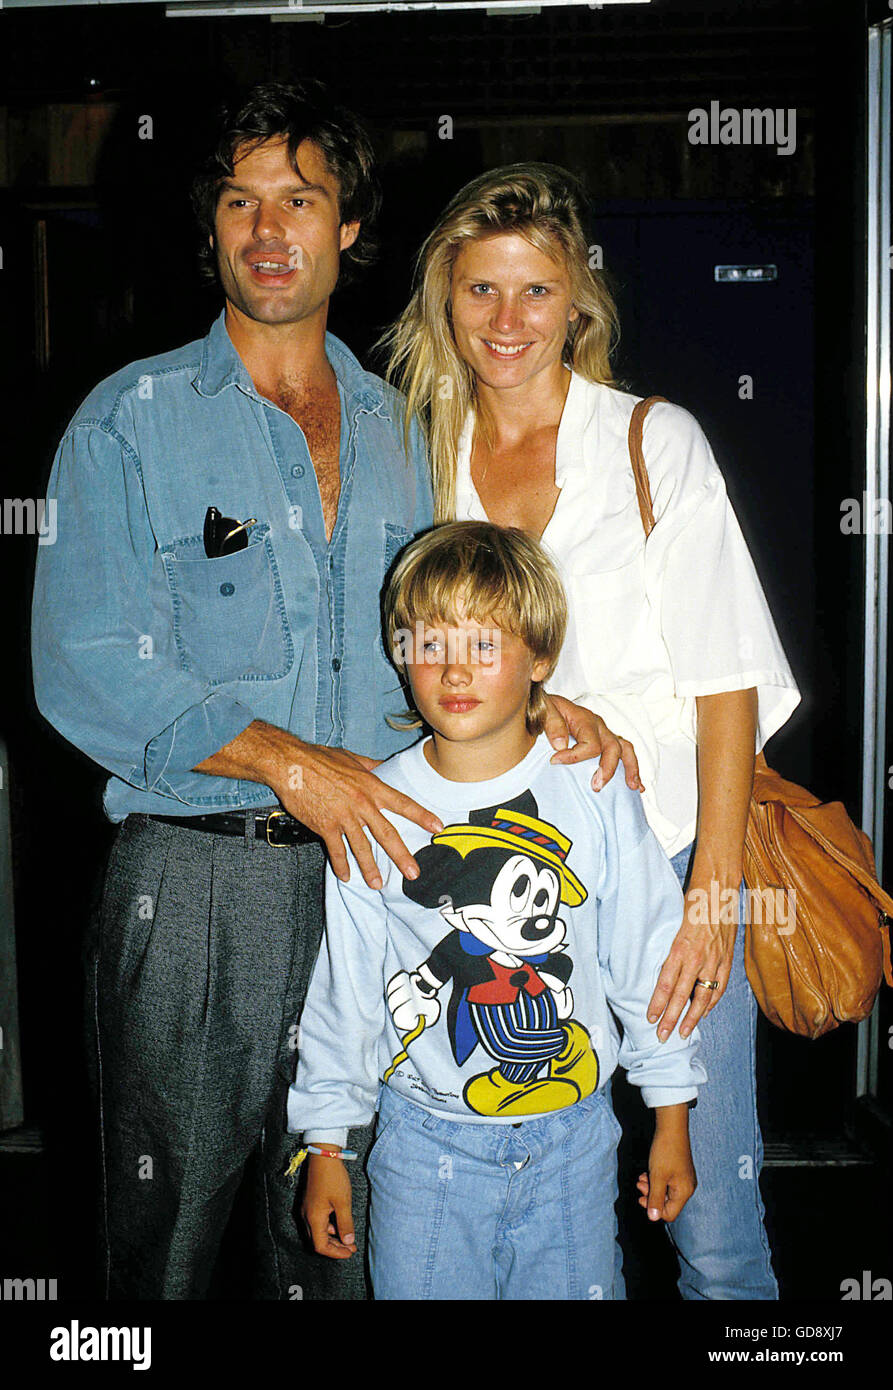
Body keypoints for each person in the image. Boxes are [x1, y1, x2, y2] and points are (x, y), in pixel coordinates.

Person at [31, 89, 634, 1301]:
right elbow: (84, 658)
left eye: (299, 200)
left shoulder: (413, 423)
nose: (268, 229)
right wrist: (284, 761)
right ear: (205, 227)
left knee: (342, 1243)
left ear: (349, 226)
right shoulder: (126, 421)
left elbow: (460, 619)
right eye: (239, 200)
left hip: (388, 883)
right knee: (164, 1248)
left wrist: (532, 702)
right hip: (198, 880)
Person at [385, 163, 801, 1300]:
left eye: (532, 292)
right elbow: (428, 651)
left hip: (665, 864)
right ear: (445, 299)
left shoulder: (650, 442)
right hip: (507, 883)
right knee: (523, 1210)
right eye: (479, 291)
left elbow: (728, 686)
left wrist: (710, 900)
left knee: (712, 1226)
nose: (506, 321)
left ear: (577, 303)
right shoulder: (421, 452)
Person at [289, 521, 704, 1300]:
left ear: (540, 658)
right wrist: (324, 1147)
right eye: (429, 642)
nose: (453, 669)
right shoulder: (373, 808)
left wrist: (670, 1116)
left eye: (485, 645)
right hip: (421, 1149)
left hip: (577, 1142)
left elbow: (645, 958)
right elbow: (344, 993)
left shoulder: (596, 788)